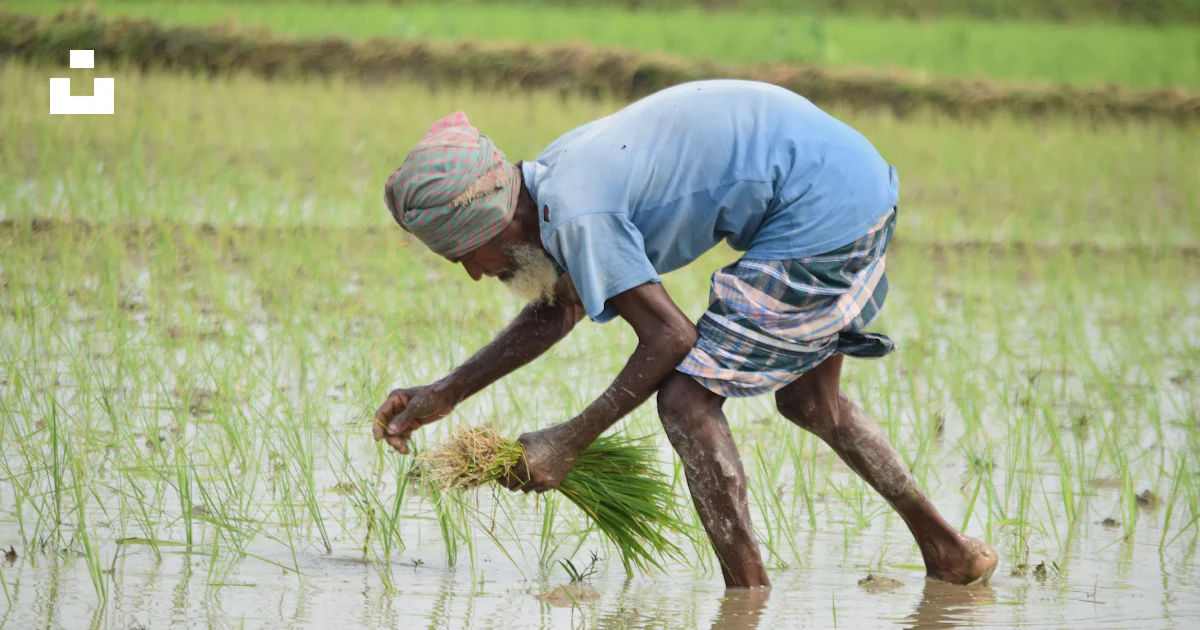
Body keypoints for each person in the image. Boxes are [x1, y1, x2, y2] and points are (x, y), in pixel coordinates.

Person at [373, 79, 998, 588]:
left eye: (468, 254)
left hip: (821, 205)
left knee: (686, 400)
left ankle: (747, 598)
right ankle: (948, 551)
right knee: (813, 403)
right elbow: (559, 308)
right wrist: (446, 392)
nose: (474, 273)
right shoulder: (546, 184)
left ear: (500, 221)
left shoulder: (579, 212)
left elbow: (671, 337)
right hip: (843, 181)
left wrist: (567, 441)